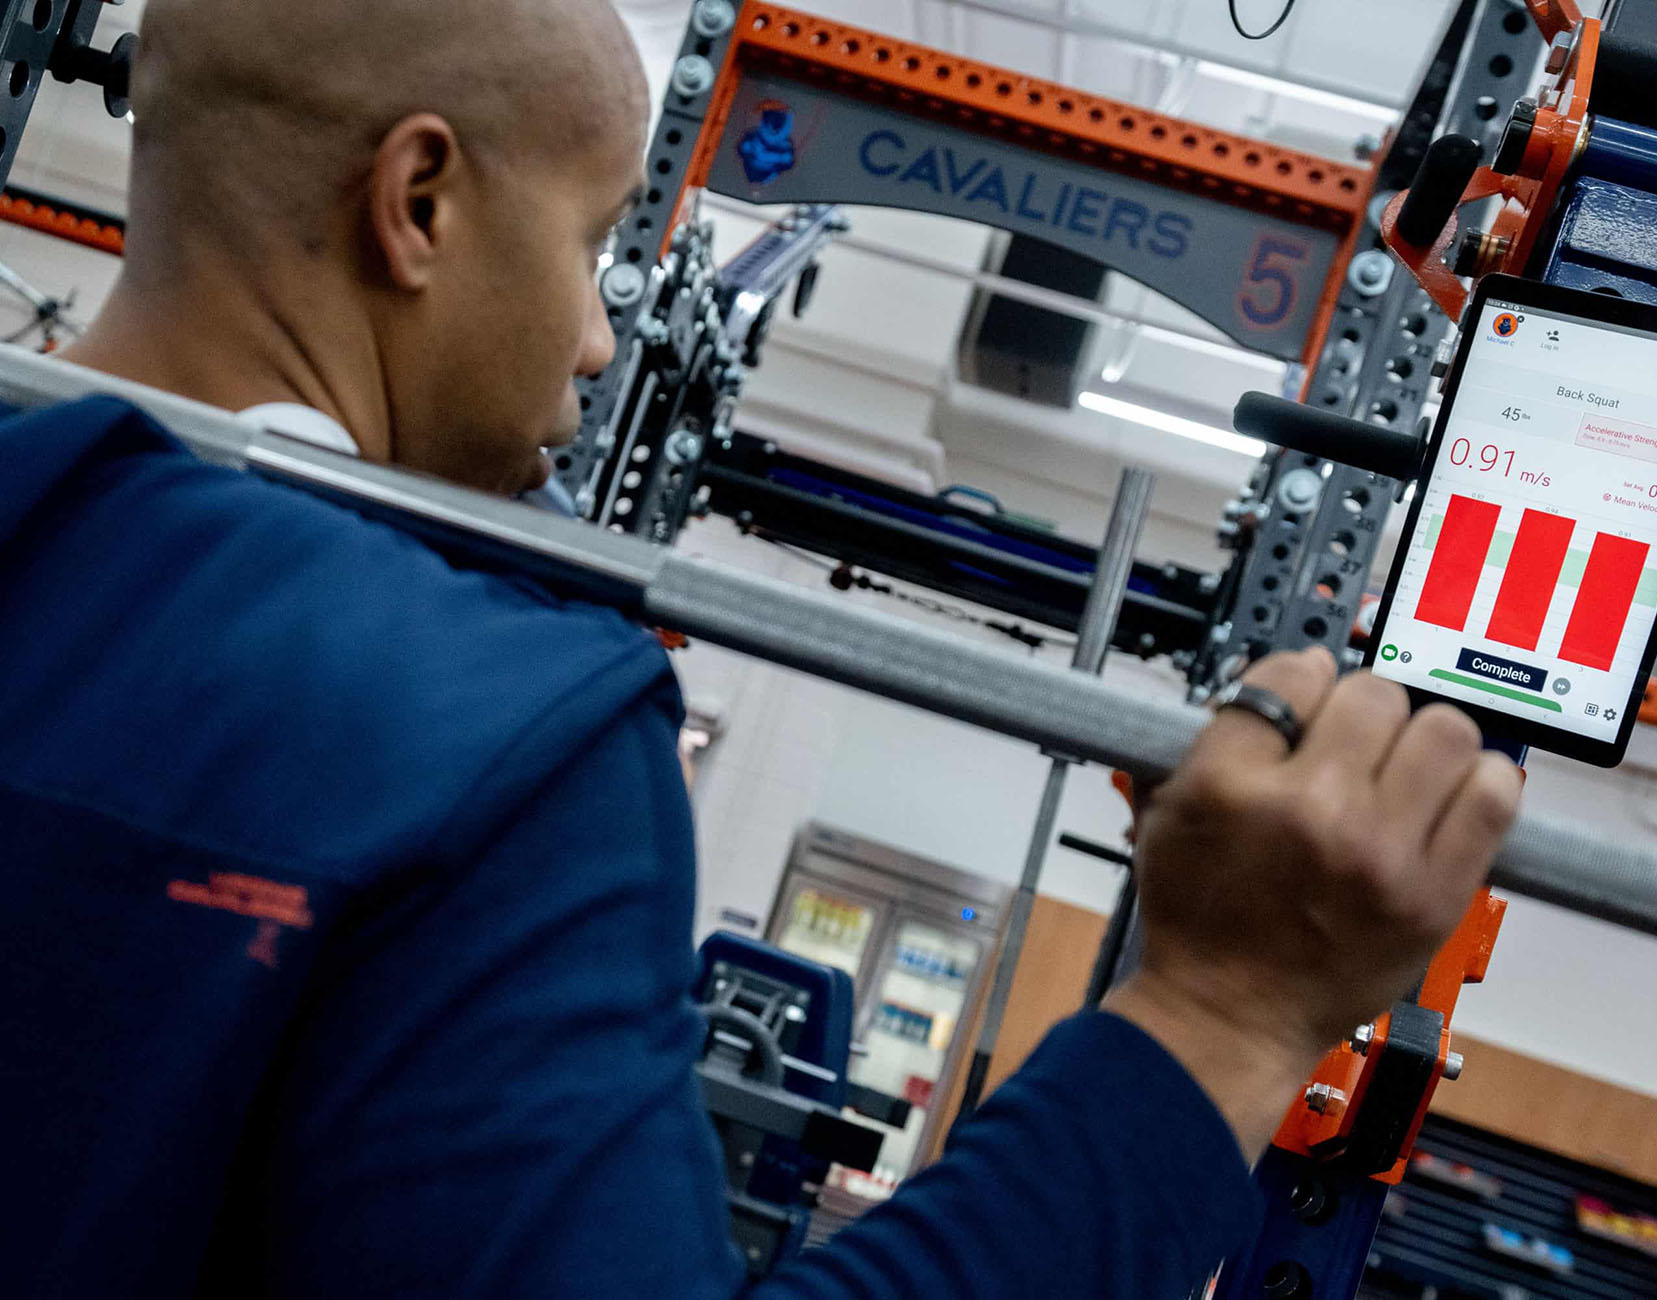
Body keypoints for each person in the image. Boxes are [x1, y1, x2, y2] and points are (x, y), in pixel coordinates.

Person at [0, 0, 1523, 1296]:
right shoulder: (494, 737)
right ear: (418, 206)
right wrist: (1222, 1016)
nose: (599, 342)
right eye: (591, 247)